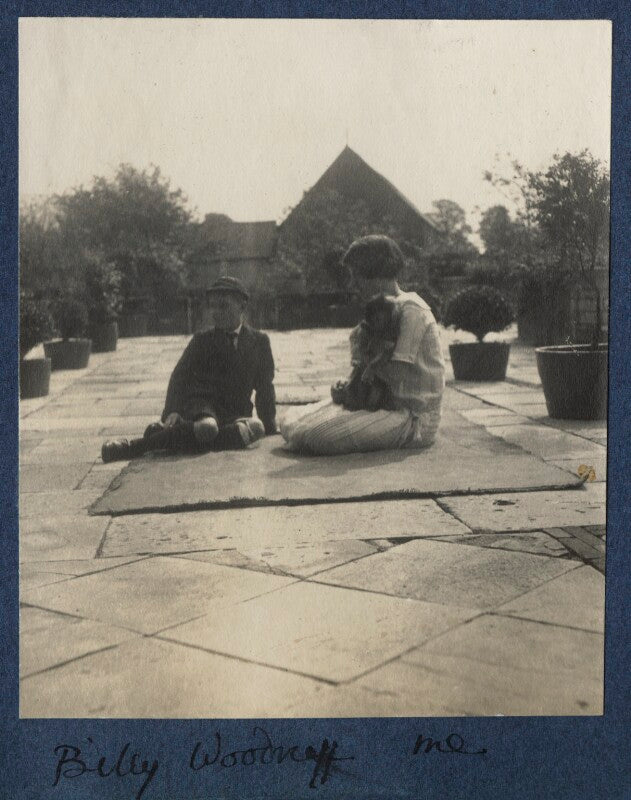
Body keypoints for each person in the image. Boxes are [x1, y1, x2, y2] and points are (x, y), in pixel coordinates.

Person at [280, 235, 445, 455]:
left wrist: (365, 368)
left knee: (315, 435)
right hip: (378, 404)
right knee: (290, 421)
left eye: (356, 275)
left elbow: (396, 374)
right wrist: (347, 386)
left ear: (375, 273)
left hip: (411, 417)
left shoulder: (411, 310)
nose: (353, 284)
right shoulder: (378, 309)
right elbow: (366, 370)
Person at [101, 276, 277, 462]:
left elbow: (265, 387)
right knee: (208, 427)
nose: (216, 312)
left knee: (257, 428)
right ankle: (132, 447)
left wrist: (270, 425)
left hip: (235, 412)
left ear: (242, 306)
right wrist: (172, 411)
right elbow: (179, 376)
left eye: (223, 306)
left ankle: (168, 435)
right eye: (213, 306)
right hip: (203, 406)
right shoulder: (202, 340)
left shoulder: (259, 342)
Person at [331, 293, 401, 412]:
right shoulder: (365, 330)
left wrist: (372, 366)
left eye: (383, 320)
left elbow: (386, 353)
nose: (379, 324)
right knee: (350, 395)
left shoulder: (389, 334)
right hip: (362, 370)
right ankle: (345, 392)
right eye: (375, 320)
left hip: (380, 375)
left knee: (374, 399)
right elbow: (358, 350)